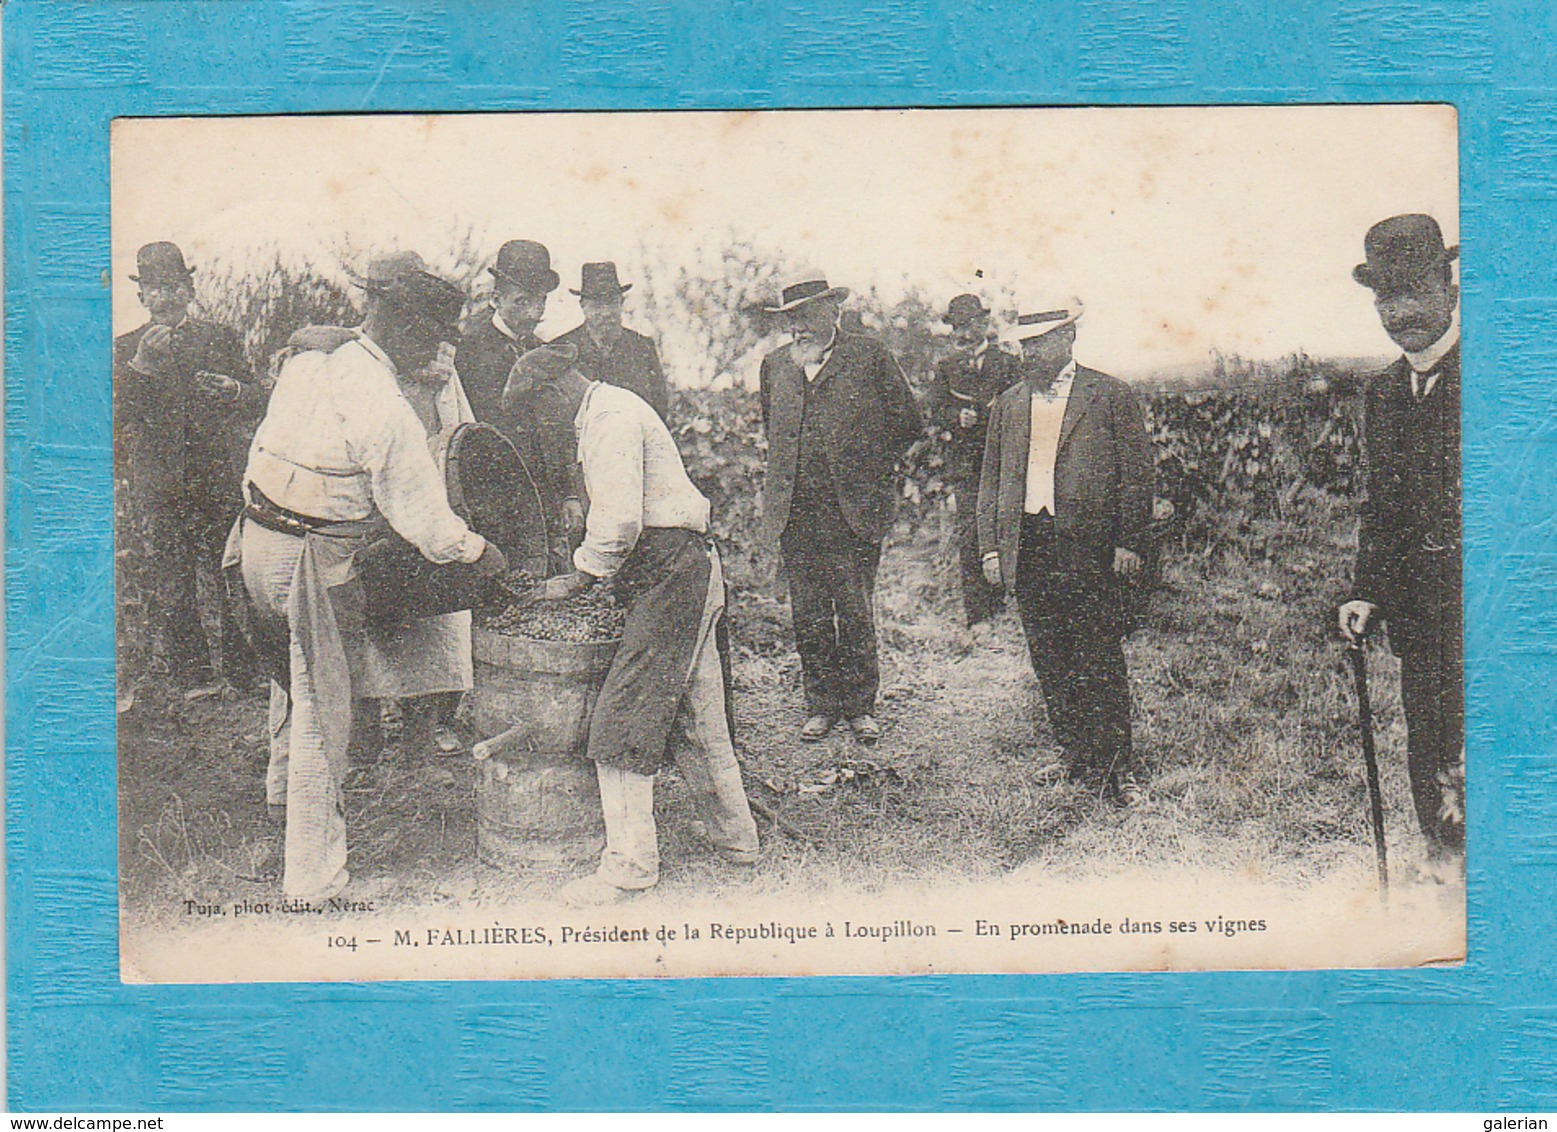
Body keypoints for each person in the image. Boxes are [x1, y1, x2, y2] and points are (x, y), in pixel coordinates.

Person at [230, 254, 509, 901]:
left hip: (252, 542)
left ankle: (279, 799)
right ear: (407, 329)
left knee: (295, 685)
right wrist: (482, 553)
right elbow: (430, 527)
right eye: (433, 336)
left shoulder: (312, 356)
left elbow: (314, 343)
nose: (437, 351)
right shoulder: (385, 410)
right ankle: (314, 881)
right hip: (307, 560)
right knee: (323, 713)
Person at [521, 344, 759, 908]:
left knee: (621, 717)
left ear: (556, 391)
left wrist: (579, 576)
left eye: (536, 411)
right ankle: (737, 842)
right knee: (699, 714)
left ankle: (628, 868)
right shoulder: (607, 411)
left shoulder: (609, 419)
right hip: (682, 567)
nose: (539, 425)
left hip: (671, 571)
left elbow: (621, 520)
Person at [977, 299, 1153, 803]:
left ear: (1068, 339)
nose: (1030, 353)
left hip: (1090, 548)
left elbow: (1137, 476)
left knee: (1097, 654)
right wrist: (991, 548)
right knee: (1049, 654)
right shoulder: (1010, 403)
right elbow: (991, 481)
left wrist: (1129, 541)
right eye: (1024, 344)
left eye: (1040, 342)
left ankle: (1118, 768)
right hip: (1028, 545)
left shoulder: (1110, 395)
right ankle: (1075, 757)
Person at [1337, 213, 1464, 879]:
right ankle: (1444, 866)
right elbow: (1380, 507)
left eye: (1413, 289)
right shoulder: (1384, 391)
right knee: (1429, 740)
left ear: (1448, 285)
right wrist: (1364, 590)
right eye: (1385, 296)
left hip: (1494, 613)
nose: (1400, 311)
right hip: (1420, 617)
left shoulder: (1500, 373)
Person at [759, 275, 924, 743]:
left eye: (807, 315)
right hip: (797, 512)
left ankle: (859, 706)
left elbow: (908, 424)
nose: (799, 327)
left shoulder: (869, 356)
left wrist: (865, 468)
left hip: (854, 511)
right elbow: (773, 430)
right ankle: (821, 704)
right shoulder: (775, 366)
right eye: (791, 318)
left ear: (832, 311)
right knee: (808, 611)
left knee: (853, 610)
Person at [114, 240, 265, 688]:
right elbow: (114, 416)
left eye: (173, 286)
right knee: (172, 579)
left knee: (230, 571)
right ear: (141, 297)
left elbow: (256, 397)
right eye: (154, 289)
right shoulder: (125, 348)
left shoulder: (219, 338)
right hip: (161, 483)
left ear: (189, 289)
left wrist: (234, 390)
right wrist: (142, 365)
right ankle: (192, 674)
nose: (164, 297)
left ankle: (245, 671)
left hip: (216, 477)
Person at [930, 293, 1022, 633]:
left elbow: (1021, 405)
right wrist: (957, 417)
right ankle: (978, 614)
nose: (963, 333)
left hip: (1003, 462)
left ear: (983, 324)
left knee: (1007, 528)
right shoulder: (947, 368)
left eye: (968, 325)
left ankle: (1009, 604)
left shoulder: (1009, 363)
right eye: (957, 327)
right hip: (967, 467)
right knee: (970, 535)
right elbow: (935, 411)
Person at [454, 239, 558, 428]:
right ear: (496, 299)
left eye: (541, 301)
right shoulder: (468, 351)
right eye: (522, 301)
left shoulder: (543, 351)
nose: (534, 313)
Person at [552, 261, 670, 421]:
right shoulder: (561, 348)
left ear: (621, 303)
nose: (606, 313)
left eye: (611, 303)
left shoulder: (642, 347)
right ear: (583, 306)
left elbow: (659, 408)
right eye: (597, 305)